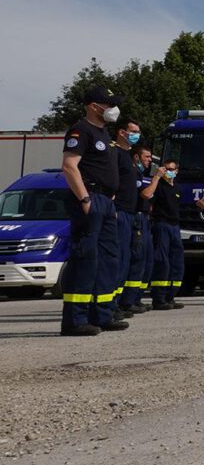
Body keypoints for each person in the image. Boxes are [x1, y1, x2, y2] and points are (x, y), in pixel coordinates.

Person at [58, 85, 128, 335]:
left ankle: (103, 314)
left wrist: (109, 200)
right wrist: (86, 200)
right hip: (90, 198)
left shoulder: (104, 133)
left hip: (106, 202)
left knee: (109, 259)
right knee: (86, 259)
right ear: (93, 106)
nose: (113, 109)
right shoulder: (81, 130)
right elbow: (69, 166)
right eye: (108, 104)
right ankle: (75, 321)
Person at [110, 117, 142, 318]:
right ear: (122, 132)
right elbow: (111, 181)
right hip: (119, 211)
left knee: (126, 260)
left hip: (130, 214)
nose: (136, 135)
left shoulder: (128, 156)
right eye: (133, 131)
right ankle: (109, 304)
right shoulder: (115, 153)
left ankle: (119, 303)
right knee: (118, 259)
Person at [147, 159, 185, 310]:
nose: (169, 171)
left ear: (177, 171)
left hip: (175, 226)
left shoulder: (177, 188)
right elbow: (149, 202)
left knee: (177, 262)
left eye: (172, 169)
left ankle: (171, 296)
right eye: (167, 169)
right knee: (162, 261)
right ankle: (159, 298)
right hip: (161, 224)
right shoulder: (159, 186)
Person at [123, 145, 155, 314]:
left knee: (145, 261)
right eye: (147, 157)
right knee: (136, 259)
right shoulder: (135, 173)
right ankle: (127, 301)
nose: (150, 160)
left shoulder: (140, 174)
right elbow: (146, 194)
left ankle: (135, 298)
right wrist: (156, 177)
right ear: (136, 157)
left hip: (145, 219)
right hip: (136, 218)